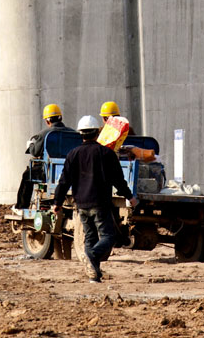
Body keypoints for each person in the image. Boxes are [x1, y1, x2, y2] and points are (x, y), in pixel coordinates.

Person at [52, 115, 137, 282]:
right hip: (100, 203)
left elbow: (64, 181)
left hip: (81, 204)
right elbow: (118, 180)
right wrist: (129, 196)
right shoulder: (107, 153)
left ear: (80, 134)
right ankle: (91, 256)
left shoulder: (73, 154)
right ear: (98, 133)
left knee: (90, 237)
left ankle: (94, 275)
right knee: (108, 237)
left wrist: (57, 202)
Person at [15, 104, 74, 208]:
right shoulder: (73, 133)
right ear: (60, 117)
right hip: (70, 171)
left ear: (47, 121)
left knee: (27, 175)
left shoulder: (44, 133)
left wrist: (30, 145)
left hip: (48, 172)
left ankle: (21, 206)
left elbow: (35, 152)